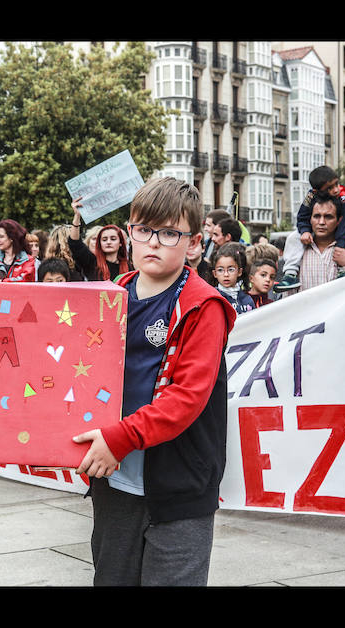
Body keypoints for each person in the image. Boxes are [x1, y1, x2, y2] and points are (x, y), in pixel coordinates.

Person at [71, 176, 236, 586]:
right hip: (114, 478)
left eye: (168, 232)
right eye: (143, 230)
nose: (154, 242)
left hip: (180, 483)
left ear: (194, 243)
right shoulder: (109, 296)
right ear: (130, 233)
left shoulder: (204, 306)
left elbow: (187, 397)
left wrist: (120, 437)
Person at [275, 166, 345, 292]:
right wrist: (305, 231)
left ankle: (342, 271)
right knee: (294, 237)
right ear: (317, 190)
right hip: (309, 234)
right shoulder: (310, 197)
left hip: (342, 236)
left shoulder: (343, 198)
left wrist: (341, 247)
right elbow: (302, 217)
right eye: (317, 216)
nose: (336, 190)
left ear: (337, 219)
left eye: (328, 217)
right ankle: (290, 275)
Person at [289, 195, 345, 294]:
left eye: (328, 217)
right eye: (316, 216)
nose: (321, 222)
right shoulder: (298, 251)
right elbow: (288, 295)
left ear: (339, 220)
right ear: (310, 219)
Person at [69, 198, 132, 282]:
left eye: (113, 239)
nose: (108, 242)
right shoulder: (92, 262)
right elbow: (75, 243)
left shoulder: (129, 267)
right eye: (104, 239)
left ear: (121, 242)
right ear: (100, 243)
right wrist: (77, 216)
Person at [211, 242, 254, 315]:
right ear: (215, 273)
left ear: (239, 272)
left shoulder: (247, 300)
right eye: (220, 270)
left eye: (231, 270)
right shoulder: (213, 298)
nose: (226, 274)